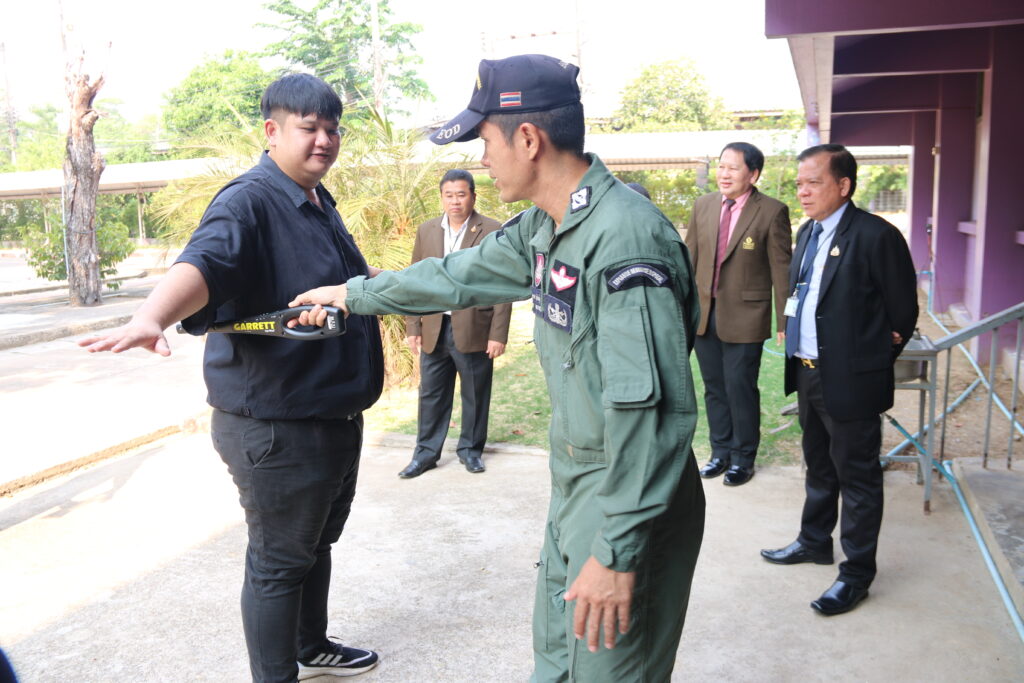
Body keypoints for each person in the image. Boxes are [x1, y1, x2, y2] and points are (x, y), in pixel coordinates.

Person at [289, 53, 705, 682]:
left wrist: (617, 553)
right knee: (556, 661)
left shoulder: (625, 240)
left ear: (529, 139)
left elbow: (649, 415)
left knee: (608, 672)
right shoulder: (546, 226)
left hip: (628, 496)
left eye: (485, 141)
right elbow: (456, 275)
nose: (482, 159)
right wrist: (354, 294)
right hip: (578, 485)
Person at [79, 73, 384, 681]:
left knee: (314, 545)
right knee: (279, 562)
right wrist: (151, 316)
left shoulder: (315, 200)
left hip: (329, 415)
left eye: (332, 129)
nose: (324, 140)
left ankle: (311, 645)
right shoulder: (249, 201)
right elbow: (205, 262)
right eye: (309, 128)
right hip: (278, 427)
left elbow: (338, 283)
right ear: (272, 131)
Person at [760, 143, 918, 616]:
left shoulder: (876, 235)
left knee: (858, 478)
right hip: (808, 372)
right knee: (819, 466)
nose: (803, 192)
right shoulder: (808, 231)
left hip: (850, 381)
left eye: (814, 183)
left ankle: (856, 574)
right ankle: (814, 541)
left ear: (844, 185)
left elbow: (902, 312)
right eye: (799, 183)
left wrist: (869, 358)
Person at [684, 142, 792, 486]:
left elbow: (782, 271)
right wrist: (681, 308)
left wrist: (785, 321)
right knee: (714, 388)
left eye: (733, 167)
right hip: (705, 314)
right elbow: (689, 259)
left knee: (740, 388)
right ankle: (720, 453)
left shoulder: (772, 211)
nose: (725, 174)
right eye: (721, 166)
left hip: (747, 316)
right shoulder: (703, 205)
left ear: (753, 174)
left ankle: (743, 458)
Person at [400, 169, 512, 478]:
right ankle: (425, 454)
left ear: (473, 196)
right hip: (434, 327)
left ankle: (471, 451)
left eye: (461, 195)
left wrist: (498, 334)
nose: (455, 201)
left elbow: (503, 283)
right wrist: (413, 326)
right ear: (441, 197)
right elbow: (414, 280)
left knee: (475, 393)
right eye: (449, 195)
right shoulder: (427, 230)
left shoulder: (492, 230)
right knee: (431, 394)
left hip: (475, 327)